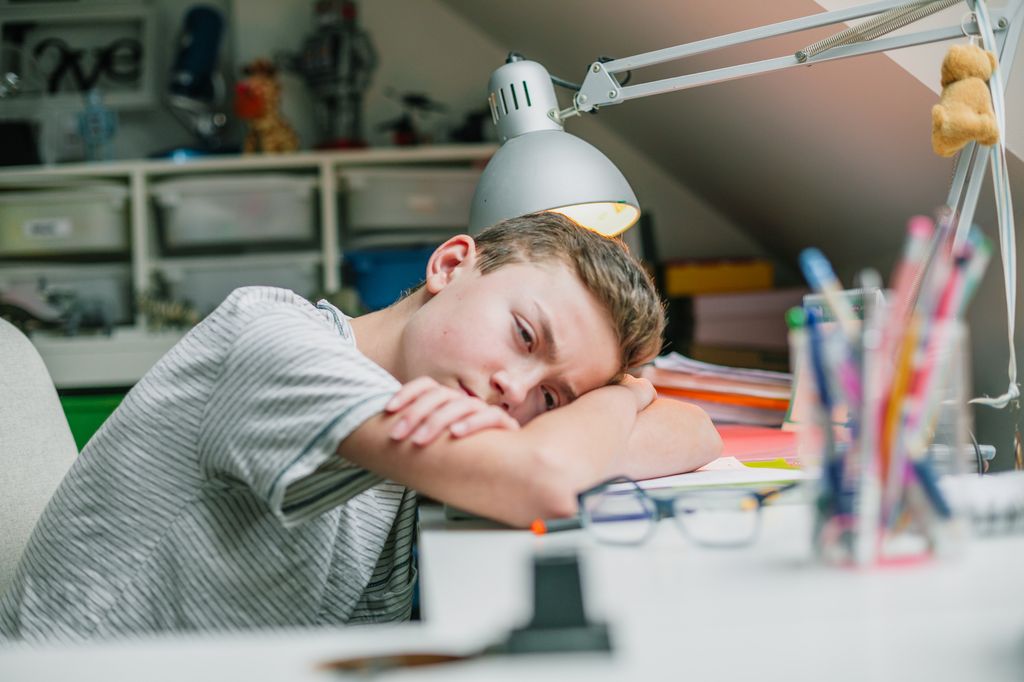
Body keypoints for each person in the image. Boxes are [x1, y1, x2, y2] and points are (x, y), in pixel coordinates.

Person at [0, 212, 721, 642]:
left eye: (554, 401)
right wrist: (620, 402)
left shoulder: (428, 397)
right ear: (450, 264)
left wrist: (613, 402)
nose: (515, 392)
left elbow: (698, 431)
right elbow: (540, 480)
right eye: (526, 336)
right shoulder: (275, 343)